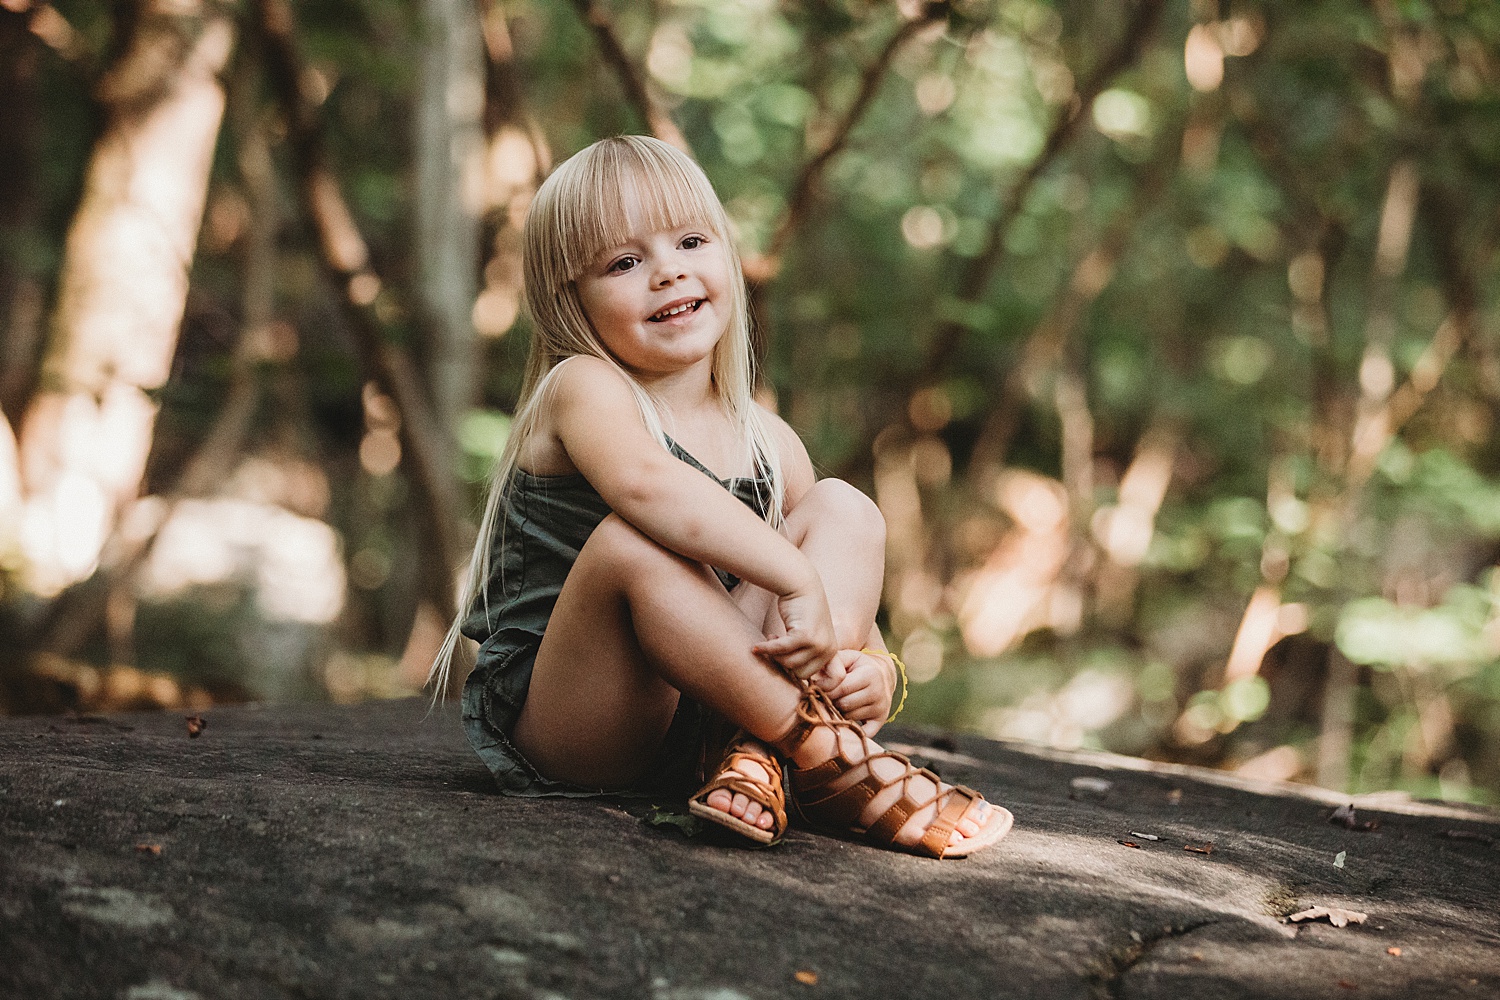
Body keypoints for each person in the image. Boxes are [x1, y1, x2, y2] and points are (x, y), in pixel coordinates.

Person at [430, 135, 1012, 859]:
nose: (667, 272)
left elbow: (843, 608)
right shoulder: (583, 388)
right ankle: (826, 754)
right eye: (623, 262)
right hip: (581, 721)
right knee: (632, 539)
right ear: (569, 298)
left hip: (706, 720)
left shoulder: (768, 439)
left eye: (691, 240)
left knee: (846, 508)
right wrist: (792, 575)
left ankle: (757, 755)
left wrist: (876, 672)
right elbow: (647, 489)